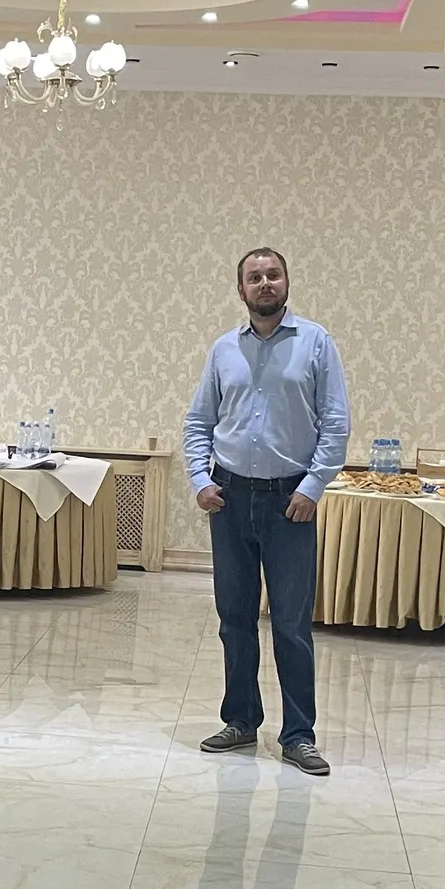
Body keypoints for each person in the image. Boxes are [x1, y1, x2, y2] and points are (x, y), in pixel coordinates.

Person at [182, 246, 349, 777]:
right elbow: (198, 422)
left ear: (287, 282)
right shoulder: (223, 349)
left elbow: (335, 423)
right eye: (254, 277)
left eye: (273, 275)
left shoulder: (315, 343)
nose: (265, 284)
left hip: (289, 503)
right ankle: (240, 720)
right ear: (241, 290)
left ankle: (299, 735)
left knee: (292, 624)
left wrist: (313, 487)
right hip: (230, 499)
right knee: (234, 619)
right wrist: (200, 480)